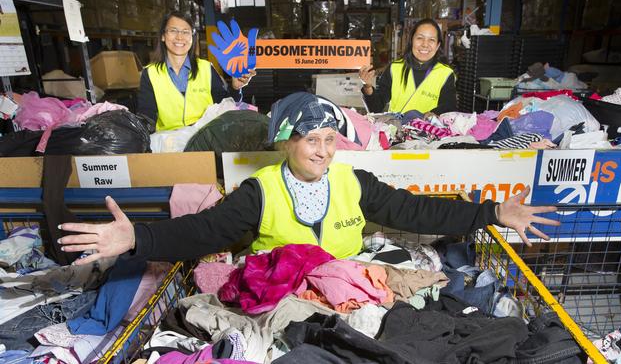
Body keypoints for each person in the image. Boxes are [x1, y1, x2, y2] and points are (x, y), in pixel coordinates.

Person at [59, 92, 559, 265]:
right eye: (309, 140)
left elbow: (418, 208)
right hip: (282, 297)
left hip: (339, 295)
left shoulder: (354, 182)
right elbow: (202, 231)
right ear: (285, 143)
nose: (322, 150)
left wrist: (492, 211)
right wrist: (136, 239)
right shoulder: (260, 191)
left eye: (328, 139)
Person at [138, 11, 256, 131]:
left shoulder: (206, 69)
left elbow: (225, 108)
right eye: (173, 31)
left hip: (206, 140)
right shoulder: (150, 74)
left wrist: (235, 89)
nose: (179, 37)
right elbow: (147, 117)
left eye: (185, 32)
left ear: (192, 37)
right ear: (163, 36)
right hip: (168, 143)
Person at [359, 18, 456, 116]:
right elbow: (375, 109)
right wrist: (368, 87)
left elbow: (449, 106)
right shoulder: (394, 69)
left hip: (428, 129)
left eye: (431, 40)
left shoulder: (445, 73)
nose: (425, 44)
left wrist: (434, 113)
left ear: (438, 45)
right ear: (411, 40)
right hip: (397, 129)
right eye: (420, 38)